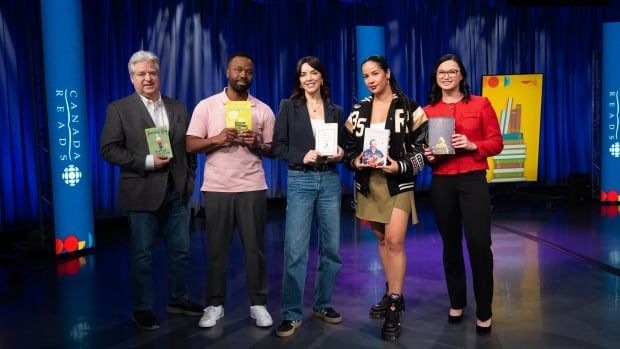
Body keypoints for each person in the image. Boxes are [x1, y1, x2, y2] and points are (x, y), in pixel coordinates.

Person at [100, 50, 204, 330]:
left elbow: (189, 148)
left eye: (152, 73)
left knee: (181, 251)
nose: (148, 78)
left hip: (177, 192)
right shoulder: (118, 109)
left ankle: (178, 299)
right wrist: (146, 161)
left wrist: (189, 180)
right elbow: (108, 149)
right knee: (142, 255)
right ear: (132, 78)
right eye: (141, 74)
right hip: (141, 192)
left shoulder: (178, 107)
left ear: (159, 75)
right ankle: (143, 307)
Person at [186, 52, 275, 329]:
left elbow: (272, 150)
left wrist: (257, 144)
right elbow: (190, 144)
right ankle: (214, 305)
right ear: (227, 72)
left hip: (252, 186)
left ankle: (258, 304)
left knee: (255, 250)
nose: (243, 75)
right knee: (216, 250)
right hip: (217, 188)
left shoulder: (263, 109)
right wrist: (217, 139)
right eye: (238, 70)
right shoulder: (208, 106)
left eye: (248, 71)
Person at [343, 55, 427, 341]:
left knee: (394, 241)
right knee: (381, 241)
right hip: (369, 185)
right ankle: (392, 290)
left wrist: (399, 166)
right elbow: (348, 148)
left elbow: (423, 152)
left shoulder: (411, 108)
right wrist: (356, 163)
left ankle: (394, 304)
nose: (371, 80)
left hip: (398, 184)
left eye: (375, 73)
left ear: (387, 73)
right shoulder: (359, 110)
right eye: (366, 76)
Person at [423, 53, 503, 336]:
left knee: (480, 244)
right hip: (442, 181)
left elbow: (496, 142)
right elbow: (422, 151)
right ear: (436, 77)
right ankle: (457, 301)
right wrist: (429, 156)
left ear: (461, 75)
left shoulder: (481, 104)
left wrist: (472, 144)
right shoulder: (427, 111)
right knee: (451, 244)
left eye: (452, 71)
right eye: (441, 72)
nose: (447, 76)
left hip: (473, 179)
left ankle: (484, 309)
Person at [272, 56, 344, 337]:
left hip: (329, 180)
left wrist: (341, 153)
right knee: (295, 249)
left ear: (322, 77)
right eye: (303, 74)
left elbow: (345, 149)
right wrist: (302, 155)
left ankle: (323, 304)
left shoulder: (335, 110)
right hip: (300, 179)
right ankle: (291, 313)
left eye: (314, 72)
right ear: (299, 80)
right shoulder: (288, 107)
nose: (309, 78)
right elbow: (278, 147)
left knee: (332, 249)